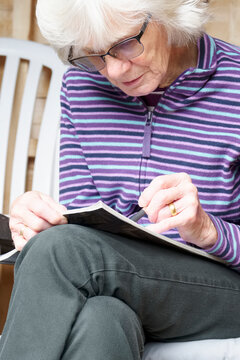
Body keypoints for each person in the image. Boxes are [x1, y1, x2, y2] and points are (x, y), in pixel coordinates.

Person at [1, 0, 240, 358]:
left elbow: (71, 249)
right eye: (93, 54)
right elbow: (82, 226)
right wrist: (37, 222)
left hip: (223, 291)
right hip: (122, 283)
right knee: (103, 319)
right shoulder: (81, 84)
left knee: (62, 249)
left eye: (125, 43)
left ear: (169, 14)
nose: (113, 70)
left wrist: (208, 230)